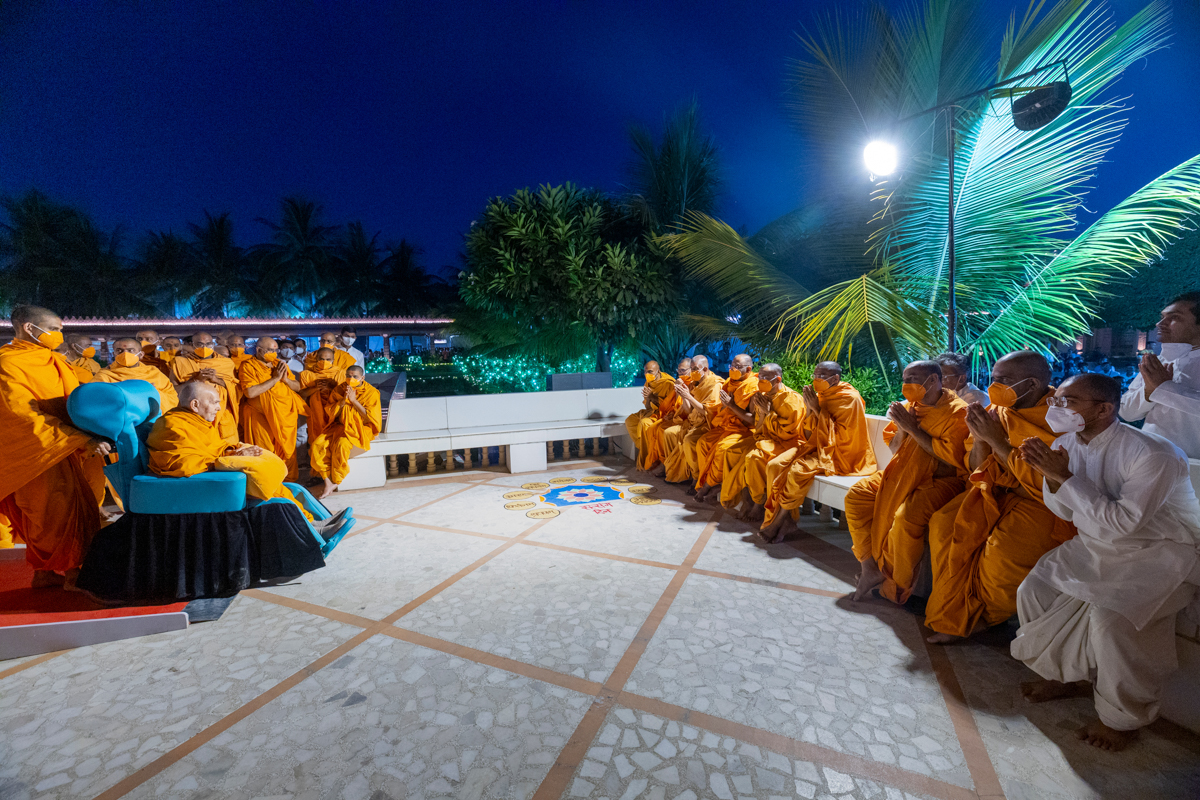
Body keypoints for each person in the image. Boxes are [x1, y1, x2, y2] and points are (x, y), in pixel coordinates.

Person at [1012, 373, 1200, 751]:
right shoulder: (1065, 443)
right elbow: (1065, 511)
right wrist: (1054, 478)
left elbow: (1124, 523)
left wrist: (1061, 475)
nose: (1056, 408)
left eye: (1068, 402)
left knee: (1111, 623)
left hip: (1162, 552)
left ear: (1104, 410)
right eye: (1056, 400)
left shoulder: (1153, 454)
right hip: (1097, 544)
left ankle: (1121, 719)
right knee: (1034, 590)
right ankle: (1064, 678)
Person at [924, 350, 1076, 642]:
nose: (995, 386)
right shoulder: (997, 410)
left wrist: (996, 440)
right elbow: (976, 466)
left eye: (1004, 380)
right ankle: (953, 610)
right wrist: (982, 438)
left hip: (1042, 502)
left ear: (1032, 384)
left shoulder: (1062, 418)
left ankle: (983, 618)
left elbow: (1050, 481)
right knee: (943, 525)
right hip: (996, 490)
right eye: (993, 379)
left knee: (1003, 555)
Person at [0, 306, 110, 588]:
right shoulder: (8, 364)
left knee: (64, 508)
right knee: (48, 512)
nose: (59, 335)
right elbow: (22, 415)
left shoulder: (55, 361)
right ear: (29, 328)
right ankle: (71, 572)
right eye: (54, 329)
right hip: (34, 450)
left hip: (66, 447)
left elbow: (73, 402)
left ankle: (45, 571)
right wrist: (77, 438)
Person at [846, 360, 970, 603]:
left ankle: (895, 583)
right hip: (903, 473)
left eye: (913, 379)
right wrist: (904, 428)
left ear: (933, 380)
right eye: (905, 380)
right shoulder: (908, 407)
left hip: (940, 481)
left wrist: (913, 428)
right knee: (857, 496)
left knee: (905, 519)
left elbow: (950, 459)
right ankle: (869, 567)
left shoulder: (958, 411)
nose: (906, 385)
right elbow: (895, 449)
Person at [147, 382, 348, 530]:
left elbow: (212, 448)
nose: (219, 408)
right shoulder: (172, 425)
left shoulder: (195, 420)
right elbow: (182, 462)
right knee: (269, 488)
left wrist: (234, 451)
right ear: (194, 405)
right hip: (195, 485)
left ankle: (314, 522)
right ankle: (311, 527)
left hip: (211, 474)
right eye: (214, 402)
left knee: (280, 486)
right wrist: (229, 458)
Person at [755, 361, 876, 541]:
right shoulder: (820, 396)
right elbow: (807, 434)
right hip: (815, 447)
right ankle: (787, 518)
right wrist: (810, 408)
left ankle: (779, 520)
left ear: (835, 378)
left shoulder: (850, 398)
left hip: (840, 453)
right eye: (815, 375)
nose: (816, 379)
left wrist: (817, 409)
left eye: (821, 376)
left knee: (797, 472)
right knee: (774, 465)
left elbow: (844, 437)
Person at [1119, 291, 1200, 458]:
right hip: (1149, 459)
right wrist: (1148, 393)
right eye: (1162, 317)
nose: (1159, 324)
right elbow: (1126, 412)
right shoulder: (1159, 361)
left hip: (1193, 465)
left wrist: (1163, 388)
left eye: (1174, 318)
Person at [726, 362, 804, 517]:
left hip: (787, 443)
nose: (761, 381)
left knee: (753, 458)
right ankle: (744, 499)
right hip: (766, 440)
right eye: (760, 378)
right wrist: (763, 414)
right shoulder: (762, 396)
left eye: (765, 379)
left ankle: (758, 502)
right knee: (732, 452)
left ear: (778, 379)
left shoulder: (791, 399)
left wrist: (769, 413)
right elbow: (759, 427)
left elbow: (789, 433)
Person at [693, 354, 758, 503]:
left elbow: (753, 420)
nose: (733, 369)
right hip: (727, 427)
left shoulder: (754, 387)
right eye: (732, 365)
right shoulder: (729, 382)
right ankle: (710, 481)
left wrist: (731, 405)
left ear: (748, 369)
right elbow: (722, 409)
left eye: (738, 367)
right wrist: (725, 406)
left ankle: (709, 485)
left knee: (722, 449)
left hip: (744, 430)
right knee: (703, 443)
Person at [238, 337, 306, 480]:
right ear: (259, 350)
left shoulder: (279, 364)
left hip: (284, 417)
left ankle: (288, 483)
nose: (274, 353)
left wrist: (285, 380)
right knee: (265, 452)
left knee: (287, 453)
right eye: (270, 350)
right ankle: (268, 484)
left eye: (275, 350)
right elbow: (250, 392)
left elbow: (297, 387)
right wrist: (274, 379)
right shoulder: (248, 366)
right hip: (260, 417)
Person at [310, 365, 382, 499]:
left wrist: (353, 401)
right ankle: (327, 481)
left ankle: (336, 480)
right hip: (341, 426)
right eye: (348, 376)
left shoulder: (371, 393)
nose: (351, 378)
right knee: (317, 445)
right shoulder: (339, 389)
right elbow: (332, 413)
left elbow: (370, 419)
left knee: (341, 444)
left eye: (355, 376)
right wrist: (343, 400)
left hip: (362, 428)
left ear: (362, 378)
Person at [169, 332, 241, 445]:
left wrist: (216, 379)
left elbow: (237, 391)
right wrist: (195, 379)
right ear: (192, 345)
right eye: (199, 344)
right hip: (193, 416)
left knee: (228, 450)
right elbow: (172, 391)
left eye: (208, 344)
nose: (204, 347)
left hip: (221, 415)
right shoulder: (180, 362)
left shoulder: (226, 363)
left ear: (213, 344)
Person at [662, 355, 722, 484]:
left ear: (705, 369)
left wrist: (688, 397)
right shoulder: (694, 383)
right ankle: (678, 471)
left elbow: (707, 412)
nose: (693, 372)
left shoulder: (714, 385)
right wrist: (684, 396)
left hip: (706, 424)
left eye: (695, 369)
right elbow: (689, 410)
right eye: (692, 368)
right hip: (692, 422)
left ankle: (696, 477)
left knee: (689, 440)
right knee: (669, 433)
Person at [93, 337, 179, 411]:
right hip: (119, 419)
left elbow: (172, 399)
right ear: (114, 354)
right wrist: (137, 391)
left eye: (131, 351)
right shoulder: (104, 374)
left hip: (153, 419)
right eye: (119, 351)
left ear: (141, 355)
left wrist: (153, 392)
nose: (125, 354)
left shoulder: (153, 372)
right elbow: (93, 400)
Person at [638, 358, 691, 473]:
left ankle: (663, 462)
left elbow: (687, 408)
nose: (680, 373)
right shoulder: (651, 383)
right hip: (667, 414)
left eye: (683, 370)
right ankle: (654, 459)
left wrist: (672, 413)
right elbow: (674, 405)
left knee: (659, 429)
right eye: (679, 370)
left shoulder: (669, 383)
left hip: (687, 419)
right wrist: (650, 398)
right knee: (637, 423)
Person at [624, 361, 676, 468]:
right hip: (651, 411)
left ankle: (652, 458)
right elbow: (648, 407)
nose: (647, 374)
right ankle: (644, 448)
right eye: (645, 372)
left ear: (658, 371)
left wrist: (653, 397)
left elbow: (671, 407)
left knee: (644, 423)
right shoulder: (648, 382)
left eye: (650, 371)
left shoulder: (669, 384)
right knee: (630, 420)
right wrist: (648, 398)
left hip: (664, 414)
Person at [298, 347, 348, 447]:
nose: (324, 362)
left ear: (333, 360)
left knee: (335, 440)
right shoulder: (307, 374)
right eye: (321, 359)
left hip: (335, 413)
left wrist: (331, 387)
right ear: (316, 359)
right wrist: (315, 388)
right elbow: (302, 394)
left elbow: (345, 395)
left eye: (328, 359)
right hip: (316, 414)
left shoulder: (341, 374)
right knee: (316, 441)